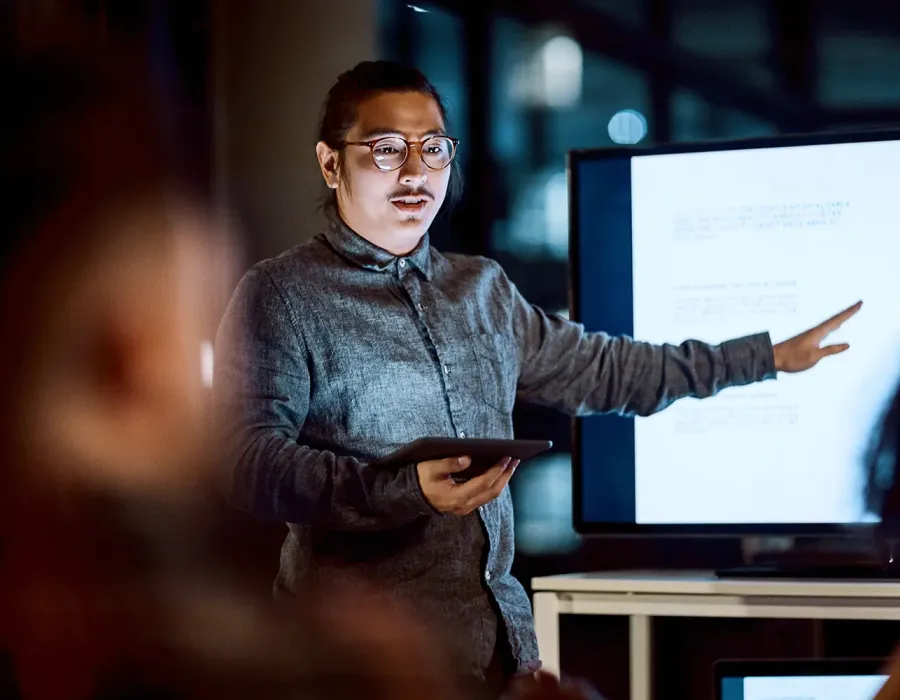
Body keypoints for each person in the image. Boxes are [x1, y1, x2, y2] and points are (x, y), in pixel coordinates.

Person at [213, 60, 861, 696]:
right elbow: (243, 461)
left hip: (501, 663)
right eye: (386, 150)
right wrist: (403, 489)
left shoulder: (481, 289)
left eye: (433, 148)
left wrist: (765, 357)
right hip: (357, 670)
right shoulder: (281, 294)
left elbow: (608, 370)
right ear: (331, 163)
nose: (416, 173)